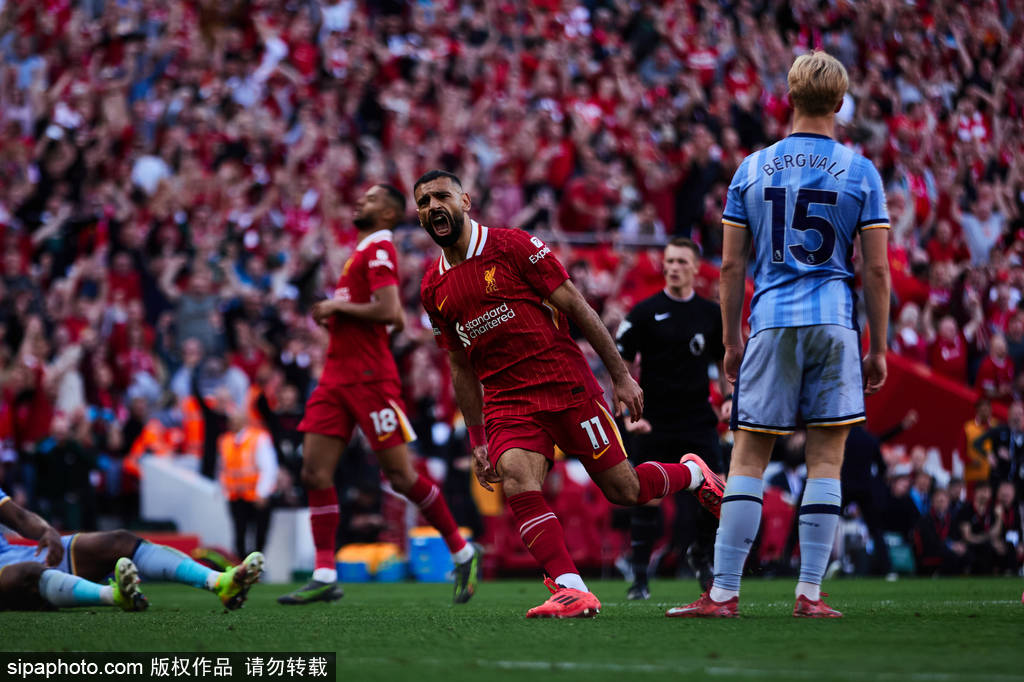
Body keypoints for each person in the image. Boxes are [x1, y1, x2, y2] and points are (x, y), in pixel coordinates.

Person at [415, 169, 724, 619]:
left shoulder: (513, 246)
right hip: (507, 400)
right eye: (423, 203)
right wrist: (478, 440)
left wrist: (620, 375)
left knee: (626, 489)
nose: (432, 207)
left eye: (441, 196)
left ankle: (695, 475)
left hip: (565, 384)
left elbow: (577, 305)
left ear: (464, 201)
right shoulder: (433, 288)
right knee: (517, 479)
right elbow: (460, 366)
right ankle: (571, 587)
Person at [667, 51, 890, 619]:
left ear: (788, 98)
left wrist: (730, 340)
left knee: (747, 457)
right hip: (834, 321)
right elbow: (877, 270)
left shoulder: (752, 168)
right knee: (826, 459)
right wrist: (880, 347)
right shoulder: (861, 171)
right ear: (840, 102)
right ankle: (809, 593)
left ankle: (724, 593)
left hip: (770, 320)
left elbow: (731, 267)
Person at [278, 185, 481, 606]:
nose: (359, 201)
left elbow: (391, 312)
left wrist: (337, 308)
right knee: (313, 472)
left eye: (370, 199)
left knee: (401, 476)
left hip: (370, 379)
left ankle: (462, 552)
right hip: (335, 377)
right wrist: (342, 316)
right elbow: (391, 320)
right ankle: (324, 574)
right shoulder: (361, 253)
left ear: (388, 213)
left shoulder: (380, 248)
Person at [615, 237, 725, 599]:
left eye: (681, 262)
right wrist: (628, 413)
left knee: (716, 492)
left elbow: (725, 362)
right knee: (646, 496)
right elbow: (619, 364)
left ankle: (700, 555)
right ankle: (640, 579)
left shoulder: (710, 314)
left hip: (697, 420)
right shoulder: (644, 312)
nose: (674, 267)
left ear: (695, 268)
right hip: (655, 420)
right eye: (670, 261)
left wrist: (728, 398)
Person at [0, 486, 262, 611]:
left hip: (13, 556)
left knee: (119, 541)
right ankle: (113, 596)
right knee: (29, 572)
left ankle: (219, 582)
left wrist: (47, 531)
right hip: (10, 572)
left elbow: (20, 517)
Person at [219, 405, 279, 561]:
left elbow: (268, 467)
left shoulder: (258, 438)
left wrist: (262, 492)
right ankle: (241, 565)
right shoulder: (225, 440)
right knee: (239, 533)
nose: (232, 422)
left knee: (259, 533)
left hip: (255, 495)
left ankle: (256, 565)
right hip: (235, 495)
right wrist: (225, 490)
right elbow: (223, 467)